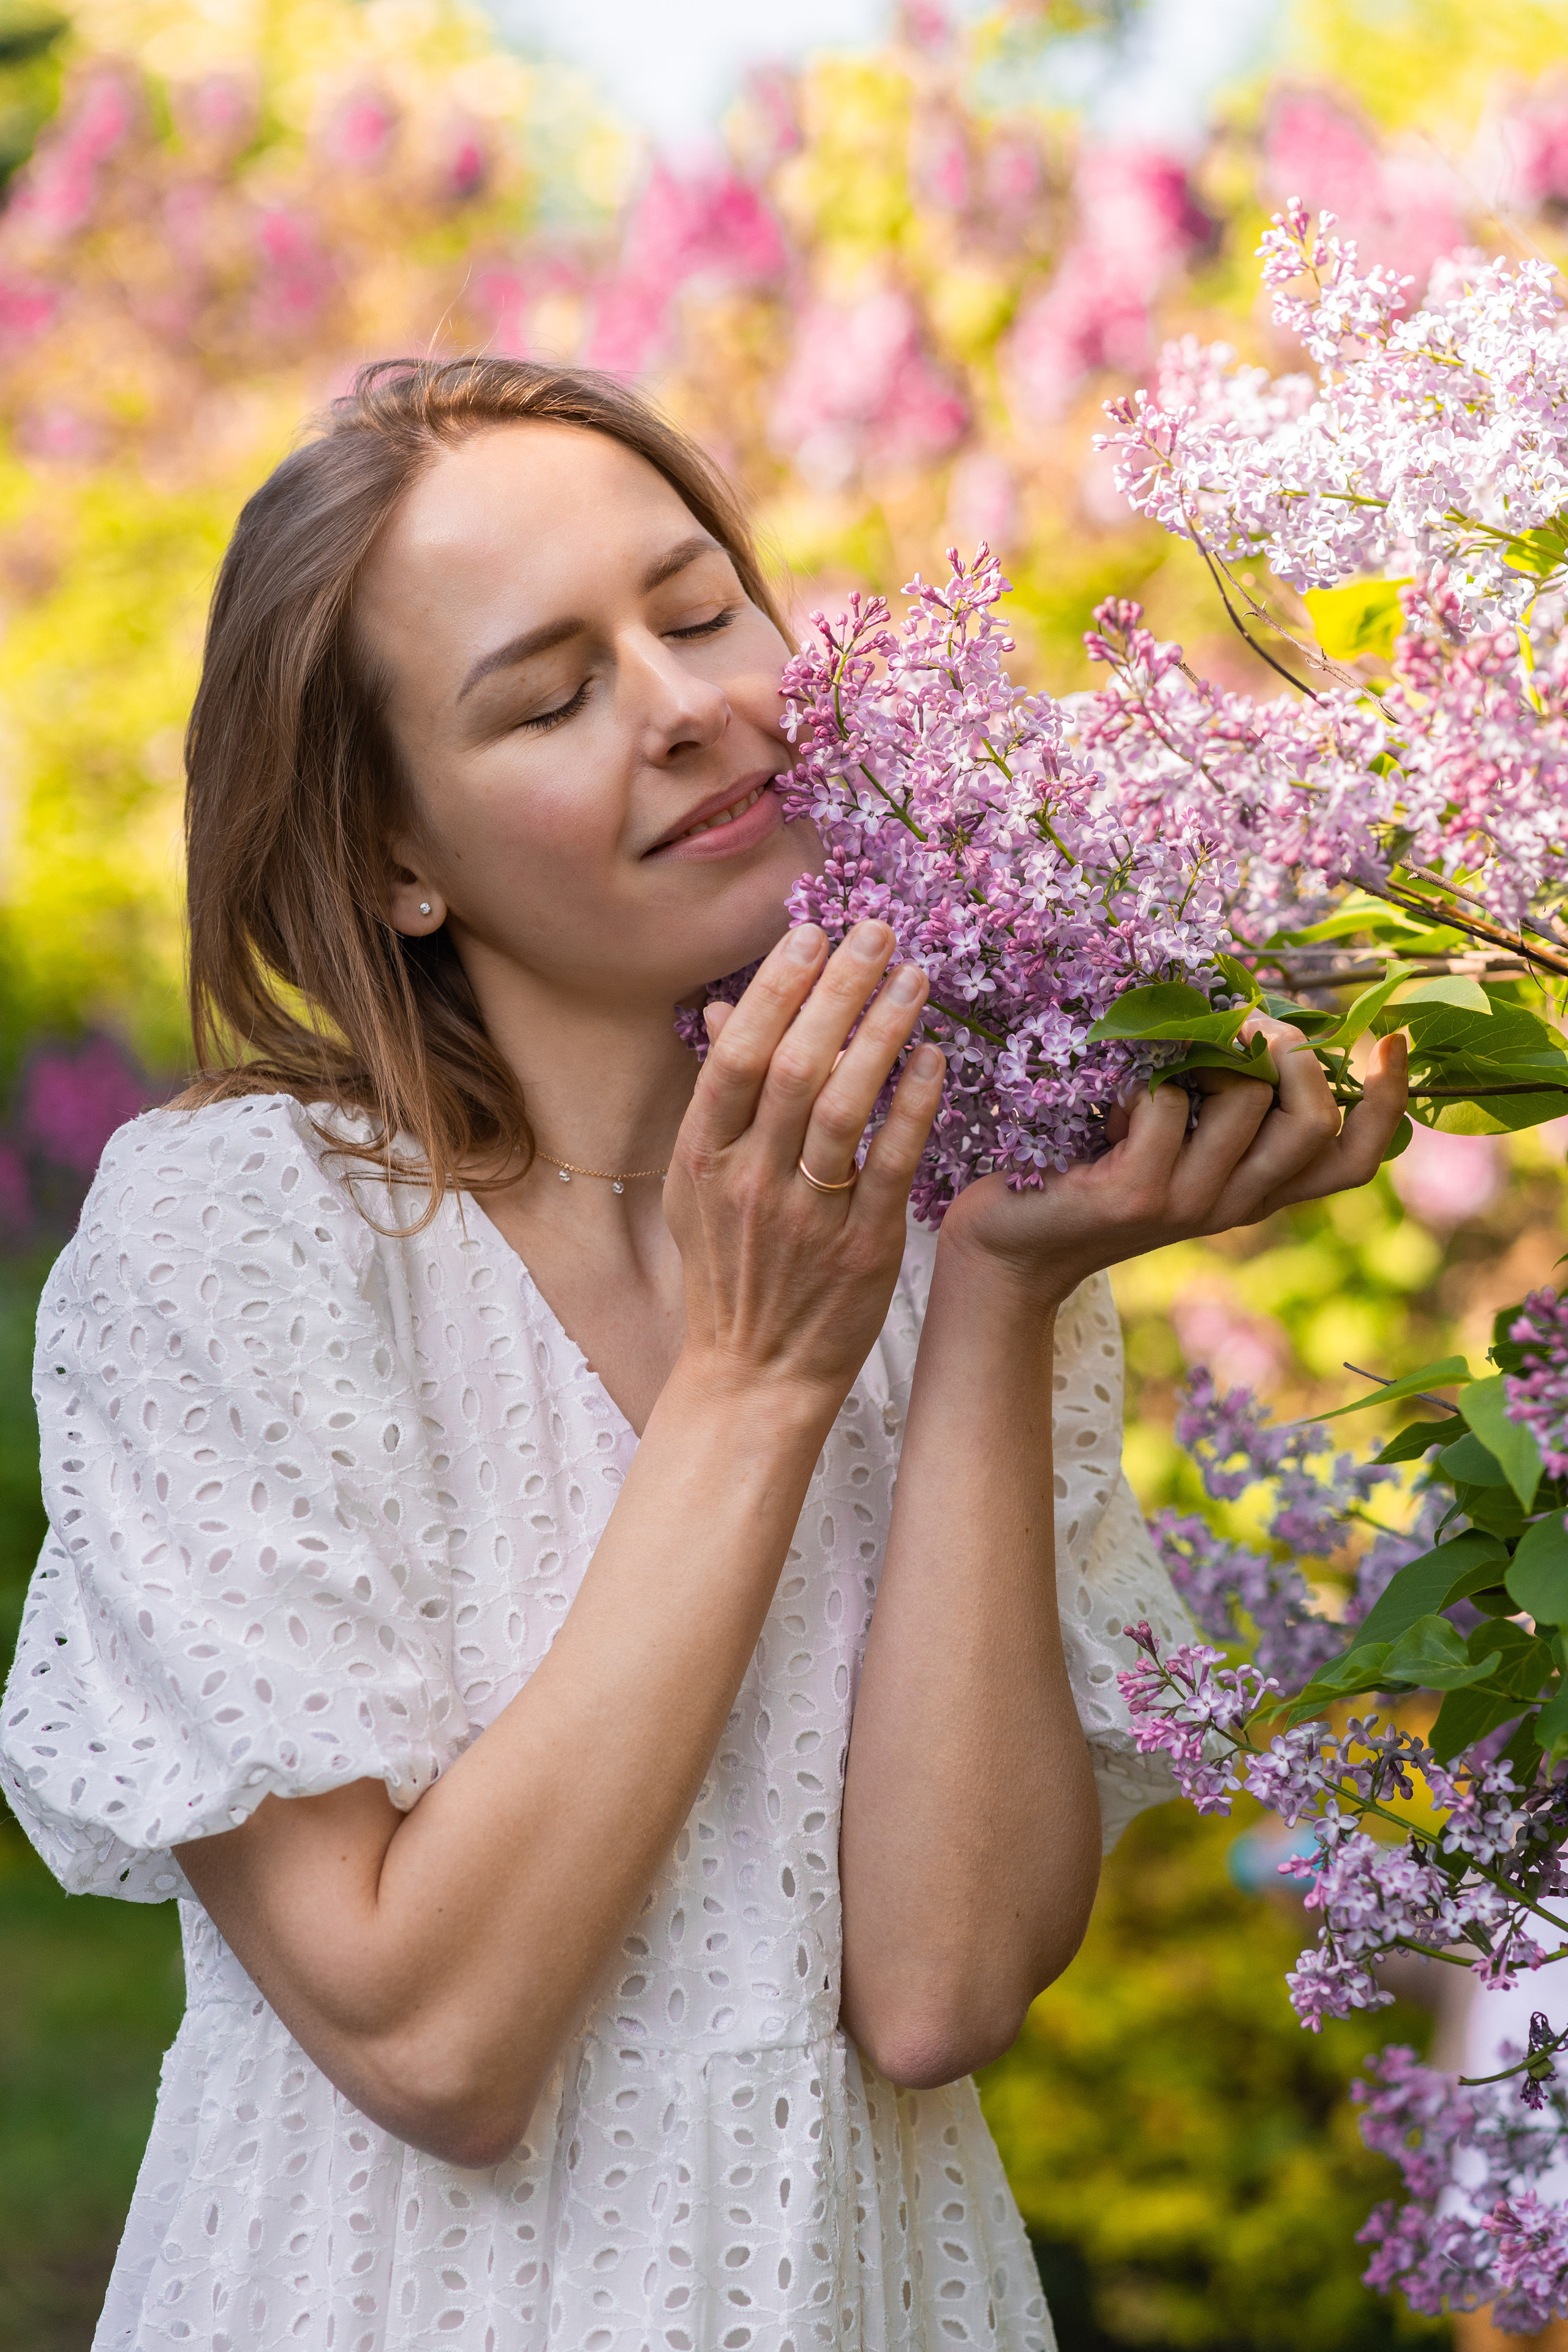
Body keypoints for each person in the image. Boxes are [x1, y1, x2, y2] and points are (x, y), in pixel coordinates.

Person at [0, 357, 1409, 2352]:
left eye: (694, 609)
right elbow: (436, 2038)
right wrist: (757, 1385)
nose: (683, 708)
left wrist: (1000, 1297)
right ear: (398, 862)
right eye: (550, 696)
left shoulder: (947, 1210)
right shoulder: (241, 1236)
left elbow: (937, 1991)